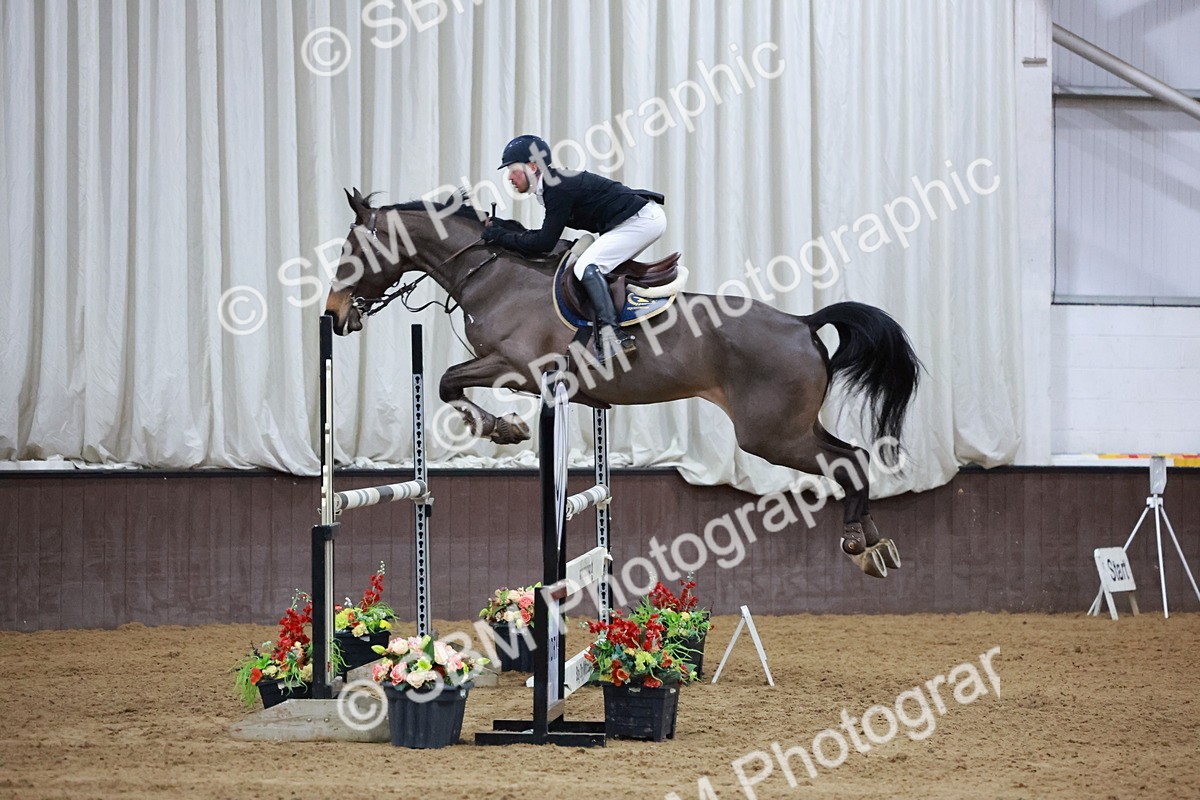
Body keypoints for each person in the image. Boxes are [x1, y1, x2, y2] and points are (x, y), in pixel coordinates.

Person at [481, 134, 666, 364]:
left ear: (532, 166)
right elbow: (541, 237)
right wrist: (503, 231)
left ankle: (613, 336)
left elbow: (543, 243)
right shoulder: (552, 185)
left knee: (586, 266)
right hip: (634, 220)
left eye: (512, 170)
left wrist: (500, 236)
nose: (509, 177)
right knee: (586, 265)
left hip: (641, 221)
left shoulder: (556, 187)